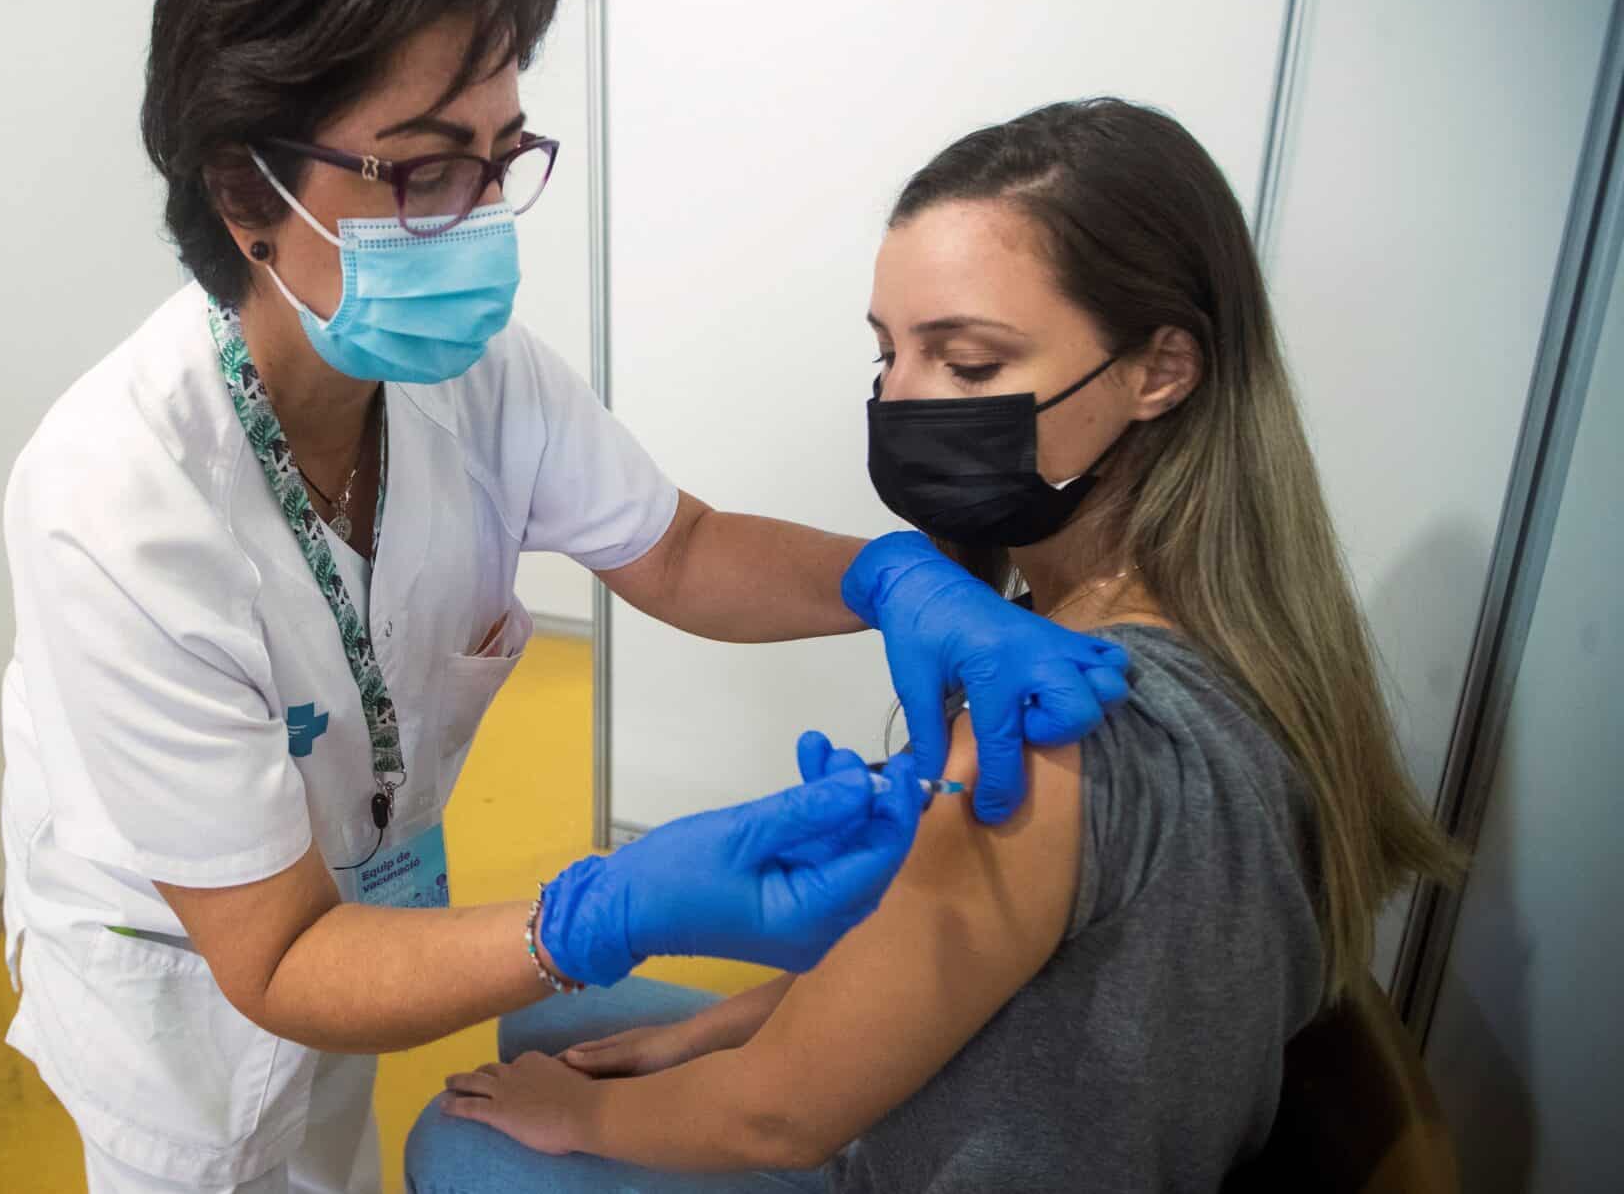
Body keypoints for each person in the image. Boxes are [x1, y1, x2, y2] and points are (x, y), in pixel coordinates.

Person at [0, 0, 1126, 1194]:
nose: (476, 217)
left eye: (498, 158)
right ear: (246, 193)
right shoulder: (113, 505)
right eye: (423, 171)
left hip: (360, 895)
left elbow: (682, 550)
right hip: (176, 979)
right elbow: (283, 958)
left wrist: (891, 579)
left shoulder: (469, 375)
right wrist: (605, 916)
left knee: (339, 1154)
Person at [407, 98, 1463, 1193]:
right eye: (887, 353)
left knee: (460, 1138)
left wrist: (584, 1116)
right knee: (549, 1024)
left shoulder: (1046, 724)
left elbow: (776, 1120)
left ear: (1157, 371)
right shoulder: (1242, 642)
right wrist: (704, 1036)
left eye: (964, 365)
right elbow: (968, 984)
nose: (902, 402)